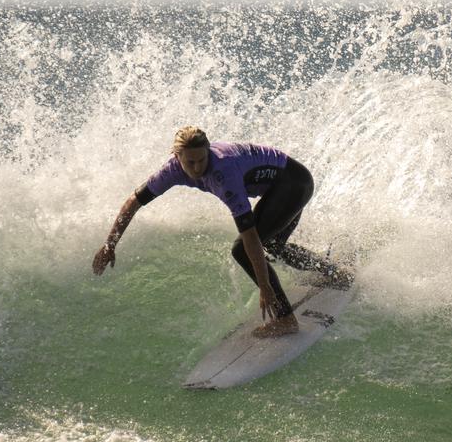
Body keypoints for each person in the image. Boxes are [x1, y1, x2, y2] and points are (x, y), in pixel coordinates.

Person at [92, 126, 350, 338]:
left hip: (294, 184)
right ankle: (334, 272)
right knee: (273, 246)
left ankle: (285, 319)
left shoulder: (224, 172)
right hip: (280, 187)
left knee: (242, 250)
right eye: (189, 162)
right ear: (176, 156)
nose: (196, 168)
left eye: (202, 159)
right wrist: (110, 244)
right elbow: (133, 202)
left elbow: (250, 237)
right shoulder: (171, 171)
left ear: (208, 151)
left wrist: (264, 286)